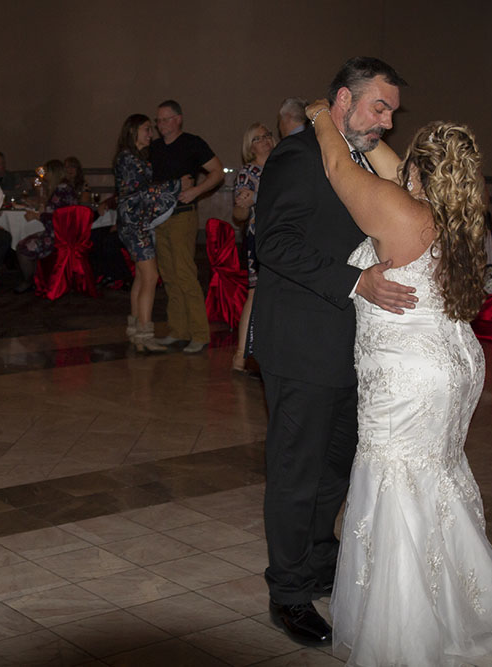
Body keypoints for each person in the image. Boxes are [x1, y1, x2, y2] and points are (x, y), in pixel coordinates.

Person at [305, 100, 492, 664]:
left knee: (395, 484)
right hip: (452, 363)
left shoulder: (404, 214)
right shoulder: (456, 211)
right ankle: (463, 605)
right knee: (433, 481)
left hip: (410, 377)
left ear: (418, 173)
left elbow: (340, 169)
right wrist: (369, 134)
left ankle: (405, 634)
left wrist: (322, 114)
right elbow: (393, 168)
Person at [252, 57, 416, 645]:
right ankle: (288, 593)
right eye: (380, 108)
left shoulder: (361, 160)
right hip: (301, 345)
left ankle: (320, 563)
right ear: (343, 100)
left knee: (335, 469)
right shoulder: (297, 156)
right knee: (296, 472)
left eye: (393, 112)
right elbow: (274, 243)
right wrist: (354, 282)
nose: (387, 122)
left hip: (353, 349)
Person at [150, 100, 223, 354]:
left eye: (165, 119)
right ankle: (178, 330)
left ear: (178, 119)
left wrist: (196, 191)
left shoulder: (192, 143)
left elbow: (217, 172)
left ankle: (200, 334)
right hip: (159, 218)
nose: (160, 125)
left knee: (184, 273)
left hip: (182, 216)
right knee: (169, 275)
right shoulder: (154, 148)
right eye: (158, 120)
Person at [113, 114, 181, 352]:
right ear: (133, 131)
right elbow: (140, 192)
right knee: (151, 277)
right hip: (135, 224)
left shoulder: (134, 157)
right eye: (146, 129)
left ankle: (136, 333)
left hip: (136, 222)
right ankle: (145, 334)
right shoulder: (127, 158)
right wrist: (177, 185)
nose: (151, 134)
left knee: (142, 278)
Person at [231, 123, 276, 372]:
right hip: (259, 238)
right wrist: (244, 203)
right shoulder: (248, 173)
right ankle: (241, 354)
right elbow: (239, 212)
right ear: (250, 146)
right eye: (258, 138)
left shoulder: (282, 165)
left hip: (283, 236)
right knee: (255, 292)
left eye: (268, 135)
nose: (266, 140)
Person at [13, 159, 79, 293]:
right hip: (62, 232)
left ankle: (29, 281)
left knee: (22, 247)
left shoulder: (61, 189)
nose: (44, 176)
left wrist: (36, 216)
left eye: (46, 172)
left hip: (59, 236)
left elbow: (55, 217)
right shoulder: (64, 187)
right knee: (28, 240)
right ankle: (38, 279)